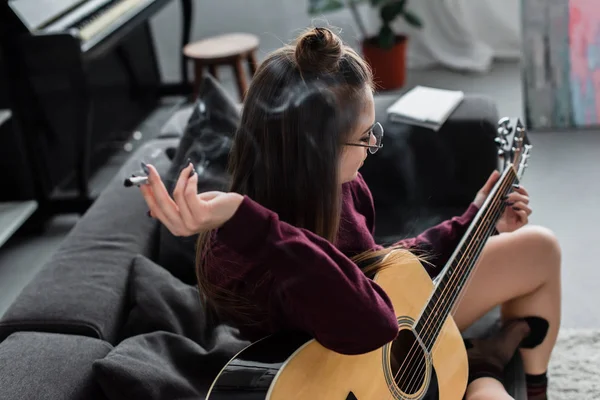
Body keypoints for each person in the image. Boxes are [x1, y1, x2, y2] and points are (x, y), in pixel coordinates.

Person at [139, 27, 560, 400]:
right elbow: (371, 322)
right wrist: (251, 223)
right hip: (348, 372)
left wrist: (475, 221)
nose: (372, 148)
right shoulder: (243, 250)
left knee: (540, 247)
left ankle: (530, 385)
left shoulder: (342, 188)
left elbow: (383, 271)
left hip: (379, 347)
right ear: (315, 152)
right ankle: (486, 366)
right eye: (363, 138)